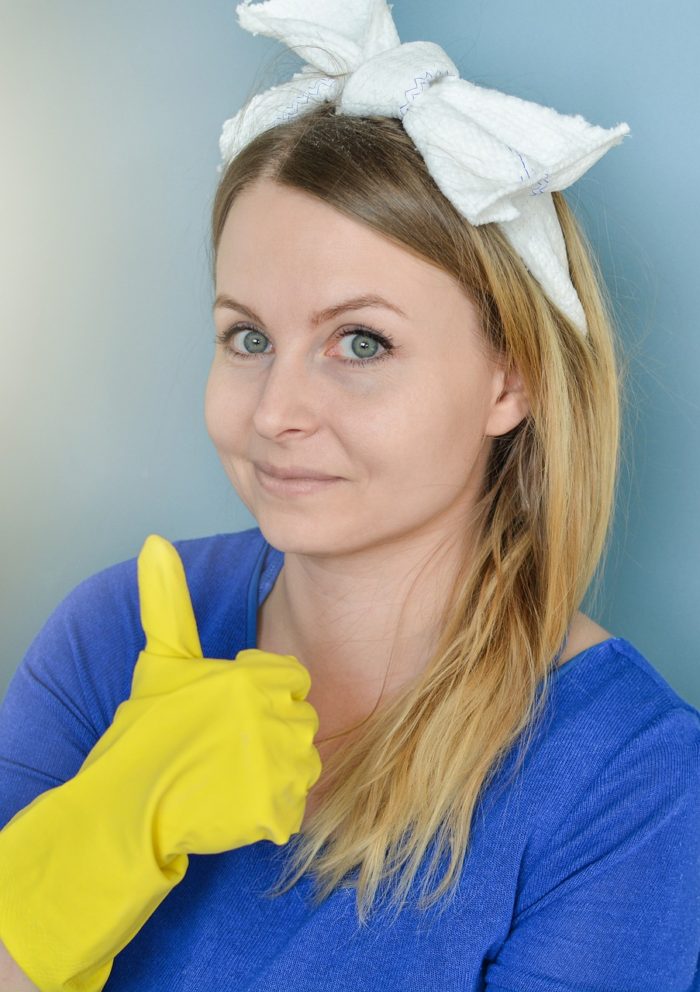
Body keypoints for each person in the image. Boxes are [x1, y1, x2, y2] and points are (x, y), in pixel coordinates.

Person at [1, 1, 699, 989]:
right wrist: (111, 825)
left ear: (512, 378)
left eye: (360, 342)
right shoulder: (111, 635)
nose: (276, 409)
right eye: (247, 337)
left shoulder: (626, 779)